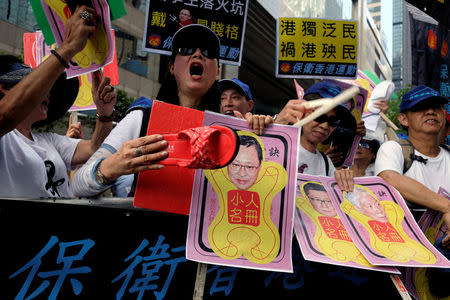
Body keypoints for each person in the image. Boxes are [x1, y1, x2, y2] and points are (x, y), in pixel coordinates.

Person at [72, 24, 223, 197]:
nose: (198, 54)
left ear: (217, 71)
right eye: (186, 49)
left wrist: (259, 133)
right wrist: (112, 167)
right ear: (172, 67)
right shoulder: (142, 118)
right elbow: (78, 184)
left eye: (208, 52)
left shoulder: (228, 133)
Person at [0, 5, 116, 198]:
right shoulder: (5, 139)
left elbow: (95, 149)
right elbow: (5, 115)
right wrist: (68, 47)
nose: (48, 92)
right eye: (38, 86)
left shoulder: (49, 141)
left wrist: (104, 114)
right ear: (5, 88)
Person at [374, 85, 450, 247]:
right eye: (421, 107)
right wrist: (446, 206)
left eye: (436, 107)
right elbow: (389, 178)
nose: (430, 112)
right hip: (406, 252)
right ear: (403, 119)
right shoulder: (393, 148)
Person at [275, 81, 355, 191]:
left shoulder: (326, 162)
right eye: (319, 116)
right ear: (302, 113)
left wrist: (343, 181)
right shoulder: (279, 147)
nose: (325, 126)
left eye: (333, 121)